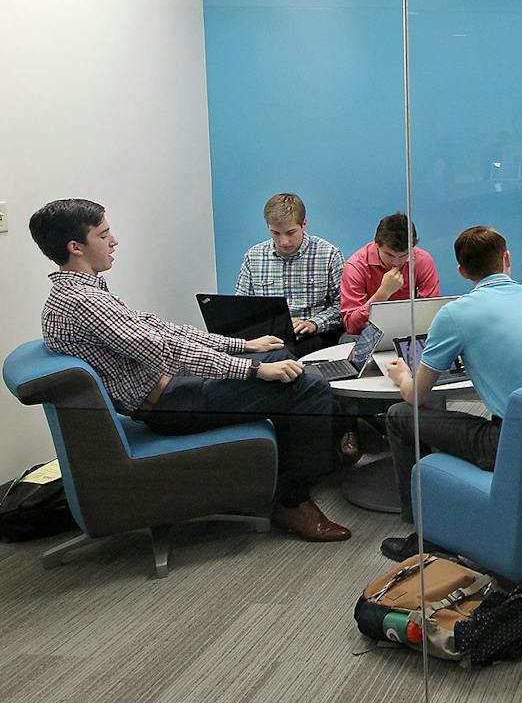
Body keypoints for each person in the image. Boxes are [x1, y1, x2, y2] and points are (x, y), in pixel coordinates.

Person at [28, 199, 350, 542]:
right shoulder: (84, 303)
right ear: (75, 247)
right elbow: (166, 351)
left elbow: (163, 329)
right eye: (104, 234)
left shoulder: (83, 292)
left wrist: (244, 346)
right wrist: (251, 371)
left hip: (170, 389)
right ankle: (293, 501)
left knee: (279, 356)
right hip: (169, 404)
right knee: (309, 386)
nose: (114, 241)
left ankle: (281, 478)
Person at [381, 225, 522, 560]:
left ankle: (421, 534)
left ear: (462, 271)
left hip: (509, 442)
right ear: (507, 259)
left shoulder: (456, 314)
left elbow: (417, 397)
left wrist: (402, 375)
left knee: (399, 416)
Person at [235, 192, 345, 356]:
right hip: (266, 338)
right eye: (276, 233)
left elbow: (343, 305)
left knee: (282, 355)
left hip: (312, 336)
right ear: (268, 227)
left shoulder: (329, 254)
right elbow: (241, 305)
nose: (284, 241)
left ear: (304, 224)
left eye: (290, 232)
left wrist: (314, 323)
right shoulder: (254, 256)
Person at [340, 212, 441, 335]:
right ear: (376, 244)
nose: (396, 262)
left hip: (410, 332)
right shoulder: (355, 266)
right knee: (347, 340)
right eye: (389, 255)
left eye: (404, 255)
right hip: (368, 333)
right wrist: (382, 294)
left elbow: (430, 313)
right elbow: (351, 326)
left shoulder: (422, 260)